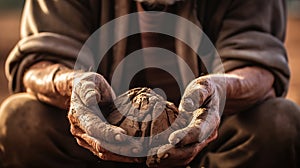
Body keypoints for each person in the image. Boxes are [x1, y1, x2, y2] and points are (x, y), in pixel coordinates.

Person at [1, 0, 300, 167]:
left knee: (279, 121)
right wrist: (74, 85)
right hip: (93, 150)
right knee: (21, 118)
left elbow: (260, 65)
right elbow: (38, 61)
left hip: (209, 145)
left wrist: (220, 90)